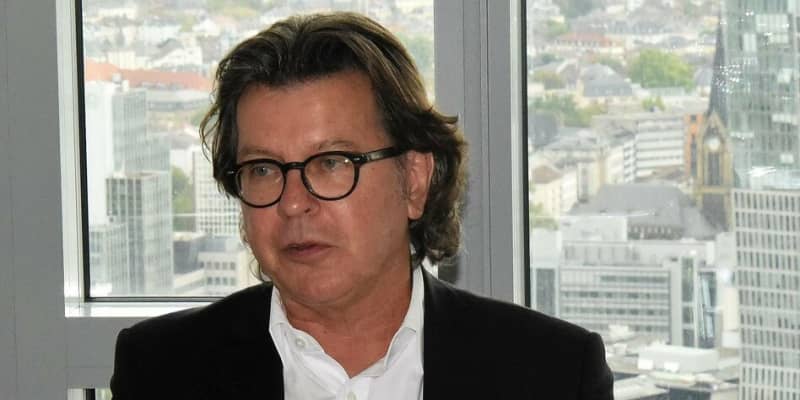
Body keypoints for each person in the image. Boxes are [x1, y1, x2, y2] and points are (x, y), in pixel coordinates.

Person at [110, 12, 613, 399]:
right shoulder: (162, 371)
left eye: (331, 162)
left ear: (413, 181)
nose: (293, 203)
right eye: (263, 169)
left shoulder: (552, 373)